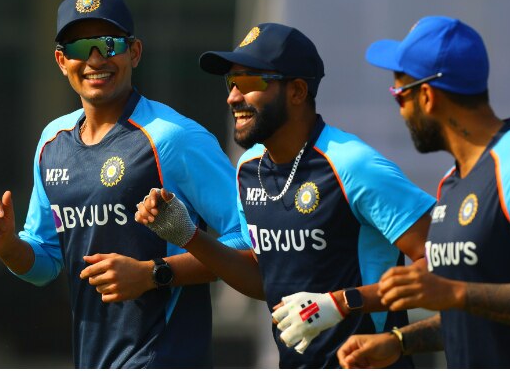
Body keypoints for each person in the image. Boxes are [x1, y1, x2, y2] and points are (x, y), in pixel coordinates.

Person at [0, 0, 247, 368]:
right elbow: (46, 262)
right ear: (61, 61)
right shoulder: (53, 142)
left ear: (134, 52)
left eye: (109, 44)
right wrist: (7, 247)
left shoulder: (173, 137)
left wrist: (155, 274)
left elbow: (252, 242)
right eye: (81, 48)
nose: (96, 59)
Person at [134, 22, 436, 368]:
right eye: (231, 82)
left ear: (296, 91)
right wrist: (188, 235)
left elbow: (442, 266)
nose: (233, 97)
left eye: (249, 82)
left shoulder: (354, 164)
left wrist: (343, 302)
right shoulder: (248, 168)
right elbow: (264, 278)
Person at [337, 16, 510, 368]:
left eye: (400, 95)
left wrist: (453, 293)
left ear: (427, 96)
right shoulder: (453, 182)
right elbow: (472, 312)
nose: (400, 111)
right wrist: (398, 341)